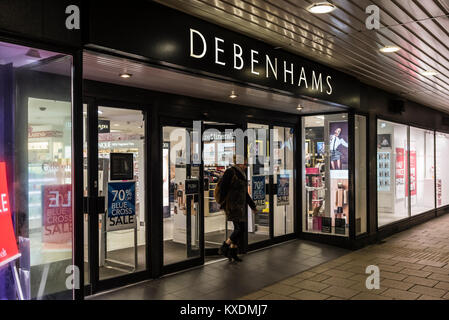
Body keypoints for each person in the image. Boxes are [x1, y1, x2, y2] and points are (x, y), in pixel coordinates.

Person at [217, 154, 258, 262]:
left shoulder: (242, 174)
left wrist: (252, 205)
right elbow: (223, 189)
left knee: (241, 229)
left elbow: (244, 193)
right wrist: (223, 204)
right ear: (239, 163)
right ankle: (225, 246)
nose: (246, 166)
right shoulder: (230, 172)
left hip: (240, 206)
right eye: (245, 164)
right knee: (239, 229)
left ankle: (232, 252)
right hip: (232, 206)